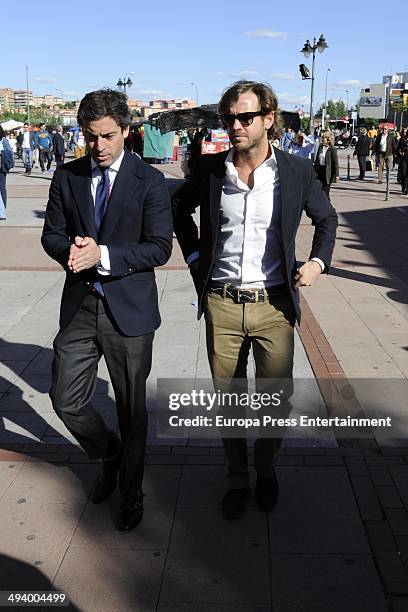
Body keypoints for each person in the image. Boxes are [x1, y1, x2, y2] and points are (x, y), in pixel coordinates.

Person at [172, 80, 337, 519]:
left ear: (269, 119)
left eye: (246, 117)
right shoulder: (209, 170)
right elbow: (177, 209)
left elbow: (326, 218)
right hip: (222, 304)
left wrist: (318, 263)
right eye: (230, 118)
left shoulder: (296, 172)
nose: (236, 126)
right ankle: (236, 477)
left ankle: (265, 469)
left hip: (275, 305)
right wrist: (193, 257)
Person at [41, 89, 172, 531]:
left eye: (108, 136)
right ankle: (108, 454)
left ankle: (131, 491)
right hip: (80, 306)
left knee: (132, 410)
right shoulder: (68, 175)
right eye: (91, 136)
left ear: (126, 131)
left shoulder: (150, 181)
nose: (99, 146)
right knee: (64, 399)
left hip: (129, 311)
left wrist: (105, 255)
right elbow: (52, 235)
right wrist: (72, 251)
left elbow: (158, 247)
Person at [314, 131, 339, 198]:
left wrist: (337, 175)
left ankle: (327, 205)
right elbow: (317, 160)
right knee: (319, 189)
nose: (322, 139)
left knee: (326, 190)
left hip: (328, 172)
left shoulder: (333, 149)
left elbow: (335, 162)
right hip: (319, 170)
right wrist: (314, 170)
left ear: (328, 139)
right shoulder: (320, 147)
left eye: (324, 138)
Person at [0, 126, 14, 219]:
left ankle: (2, 211)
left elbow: (8, 153)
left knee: (2, 188)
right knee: (2, 188)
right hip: (2, 166)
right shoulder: (4, 140)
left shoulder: (3, 141)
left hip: (2, 166)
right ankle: (2, 211)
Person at [397, 128, 408, 195]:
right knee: (403, 174)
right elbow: (398, 149)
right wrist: (400, 152)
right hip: (404, 159)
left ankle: (407, 188)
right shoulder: (402, 139)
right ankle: (403, 187)